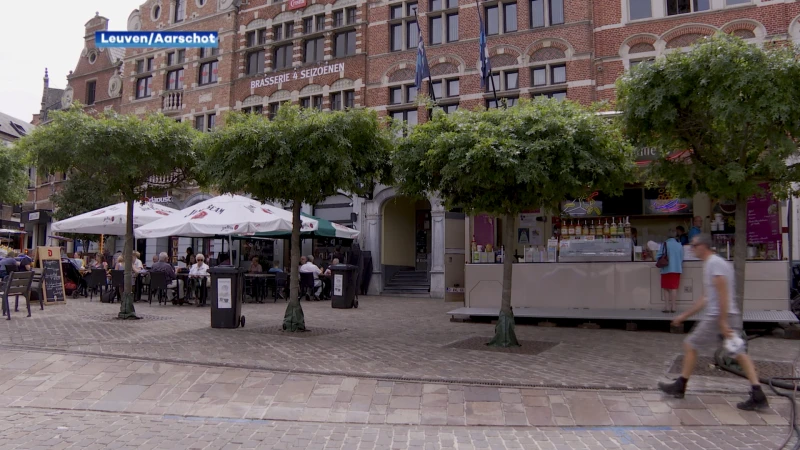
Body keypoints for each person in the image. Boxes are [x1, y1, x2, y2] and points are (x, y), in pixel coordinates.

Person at [658, 234, 768, 411]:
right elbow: (707, 297)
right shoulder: (712, 263)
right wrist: (684, 316)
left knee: (691, 344)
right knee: (738, 353)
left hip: (718, 316)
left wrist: (723, 321)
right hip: (723, 315)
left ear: (703, 246)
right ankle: (758, 394)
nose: (692, 249)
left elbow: (723, 293)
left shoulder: (714, 263)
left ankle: (680, 386)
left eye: (694, 245)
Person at [657, 230, 684, 313]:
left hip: (666, 269)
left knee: (666, 288)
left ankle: (667, 307)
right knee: (674, 288)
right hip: (676, 269)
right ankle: (674, 307)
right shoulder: (679, 245)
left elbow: (658, 256)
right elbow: (682, 257)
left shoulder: (665, 244)